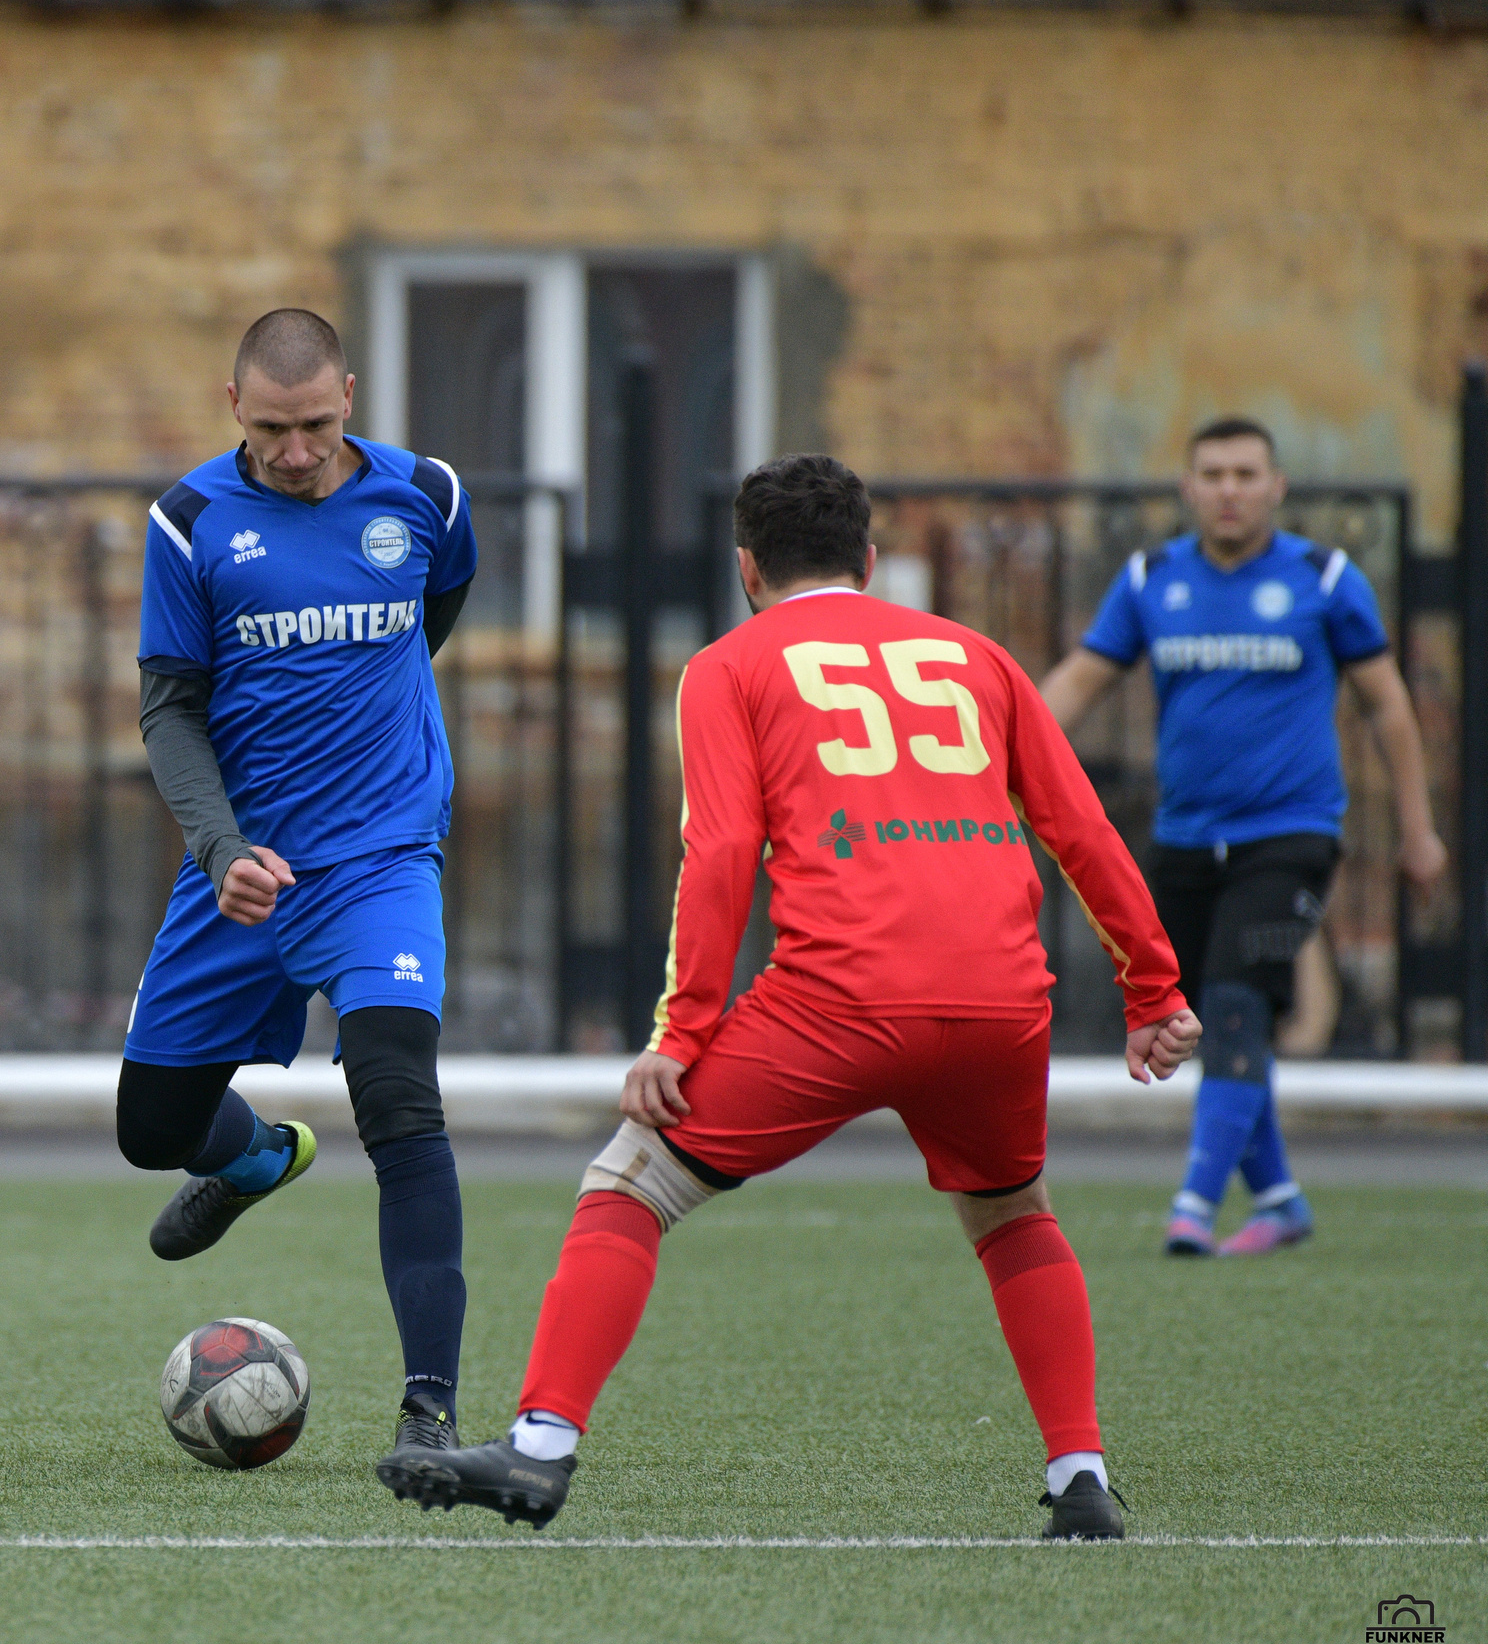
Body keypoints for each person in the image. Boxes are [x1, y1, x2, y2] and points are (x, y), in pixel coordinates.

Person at [376, 454, 1199, 1539]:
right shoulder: (979, 659)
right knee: (1011, 1216)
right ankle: (1079, 1475)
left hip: (838, 1002)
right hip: (1002, 1004)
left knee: (628, 1183)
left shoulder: (729, 666)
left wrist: (680, 1032)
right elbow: (1080, 830)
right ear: (866, 558)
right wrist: (1152, 986)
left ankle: (538, 1449)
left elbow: (718, 853)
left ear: (746, 567)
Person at [122, 308, 478, 1471]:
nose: (295, 451)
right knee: (149, 1131)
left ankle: (429, 1415)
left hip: (381, 859)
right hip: (241, 872)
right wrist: (222, 849)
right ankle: (250, 1157)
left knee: (397, 1097)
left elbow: (427, 622)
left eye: (317, 425)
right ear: (234, 407)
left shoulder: (425, 495)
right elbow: (170, 708)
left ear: (350, 398)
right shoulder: (186, 524)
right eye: (272, 429)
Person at [1042, 419, 1445, 1257]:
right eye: (1213, 473)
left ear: (1276, 486)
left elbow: (1387, 706)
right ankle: (1280, 1196)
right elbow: (1078, 683)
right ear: (1189, 489)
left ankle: (1193, 1202)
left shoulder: (1324, 577)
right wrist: (992, 763)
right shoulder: (1152, 578)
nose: (1229, 488)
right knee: (1201, 1017)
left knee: (1235, 1003)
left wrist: (1417, 829)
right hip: (1185, 838)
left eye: (1245, 473)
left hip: (1291, 835)